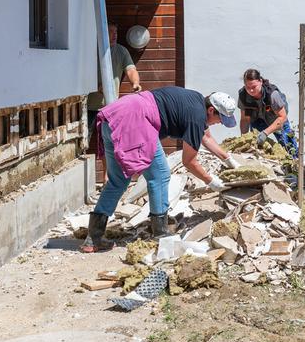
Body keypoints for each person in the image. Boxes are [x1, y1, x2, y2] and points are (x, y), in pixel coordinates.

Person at [81, 88, 240, 252]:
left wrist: (228, 159)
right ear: (211, 110)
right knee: (160, 175)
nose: (219, 123)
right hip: (136, 120)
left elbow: (205, 136)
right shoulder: (196, 117)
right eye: (220, 119)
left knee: (118, 180)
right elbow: (189, 161)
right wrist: (211, 181)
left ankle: (93, 238)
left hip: (113, 118)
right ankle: (160, 233)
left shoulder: (197, 101)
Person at [86, 24, 141, 145]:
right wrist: (96, 86)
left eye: (116, 31)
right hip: (88, 106)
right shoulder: (91, 49)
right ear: (102, 33)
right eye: (111, 31)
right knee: (84, 141)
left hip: (110, 107)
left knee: (109, 144)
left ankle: (110, 164)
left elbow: (131, 70)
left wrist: (135, 83)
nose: (115, 34)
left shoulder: (121, 51)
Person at [237, 68, 298, 156]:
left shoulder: (272, 95)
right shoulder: (243, 96)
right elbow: (245, 120)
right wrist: (244, 138)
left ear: (260, 81)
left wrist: (265, 133)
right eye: (247, 87)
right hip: (257, 120)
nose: (251, 91)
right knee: (255, 144)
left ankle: (294, 162)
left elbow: (282, 117)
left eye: (254, 87)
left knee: (288, 145)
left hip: (277, 119)